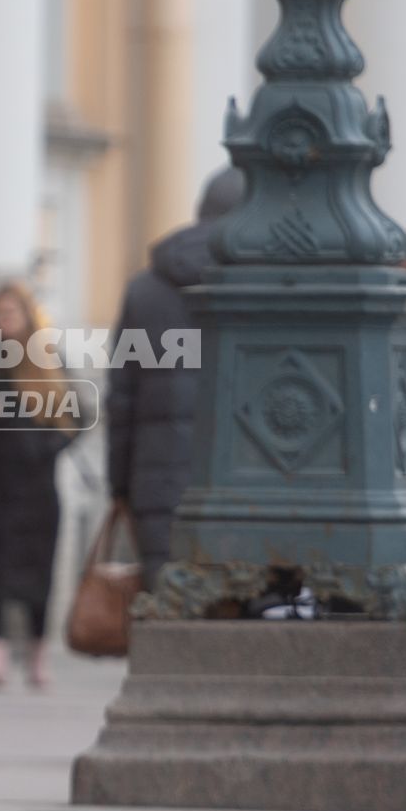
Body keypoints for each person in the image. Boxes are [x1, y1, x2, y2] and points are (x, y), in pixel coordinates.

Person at [105, 167, 246, 575]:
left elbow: (122, 398)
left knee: (167, 611)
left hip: (159, 486)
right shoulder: (271, 283)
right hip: (248, 490)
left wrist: (120, 484)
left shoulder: (144, 290)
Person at [0, 280, 80, 689]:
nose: (2, 320)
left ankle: (37, 652)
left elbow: (76, 420)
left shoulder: (47, 361)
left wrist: (43, 449)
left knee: (36, 568)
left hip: (35, 487)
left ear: (27, 315)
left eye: (9, 312)